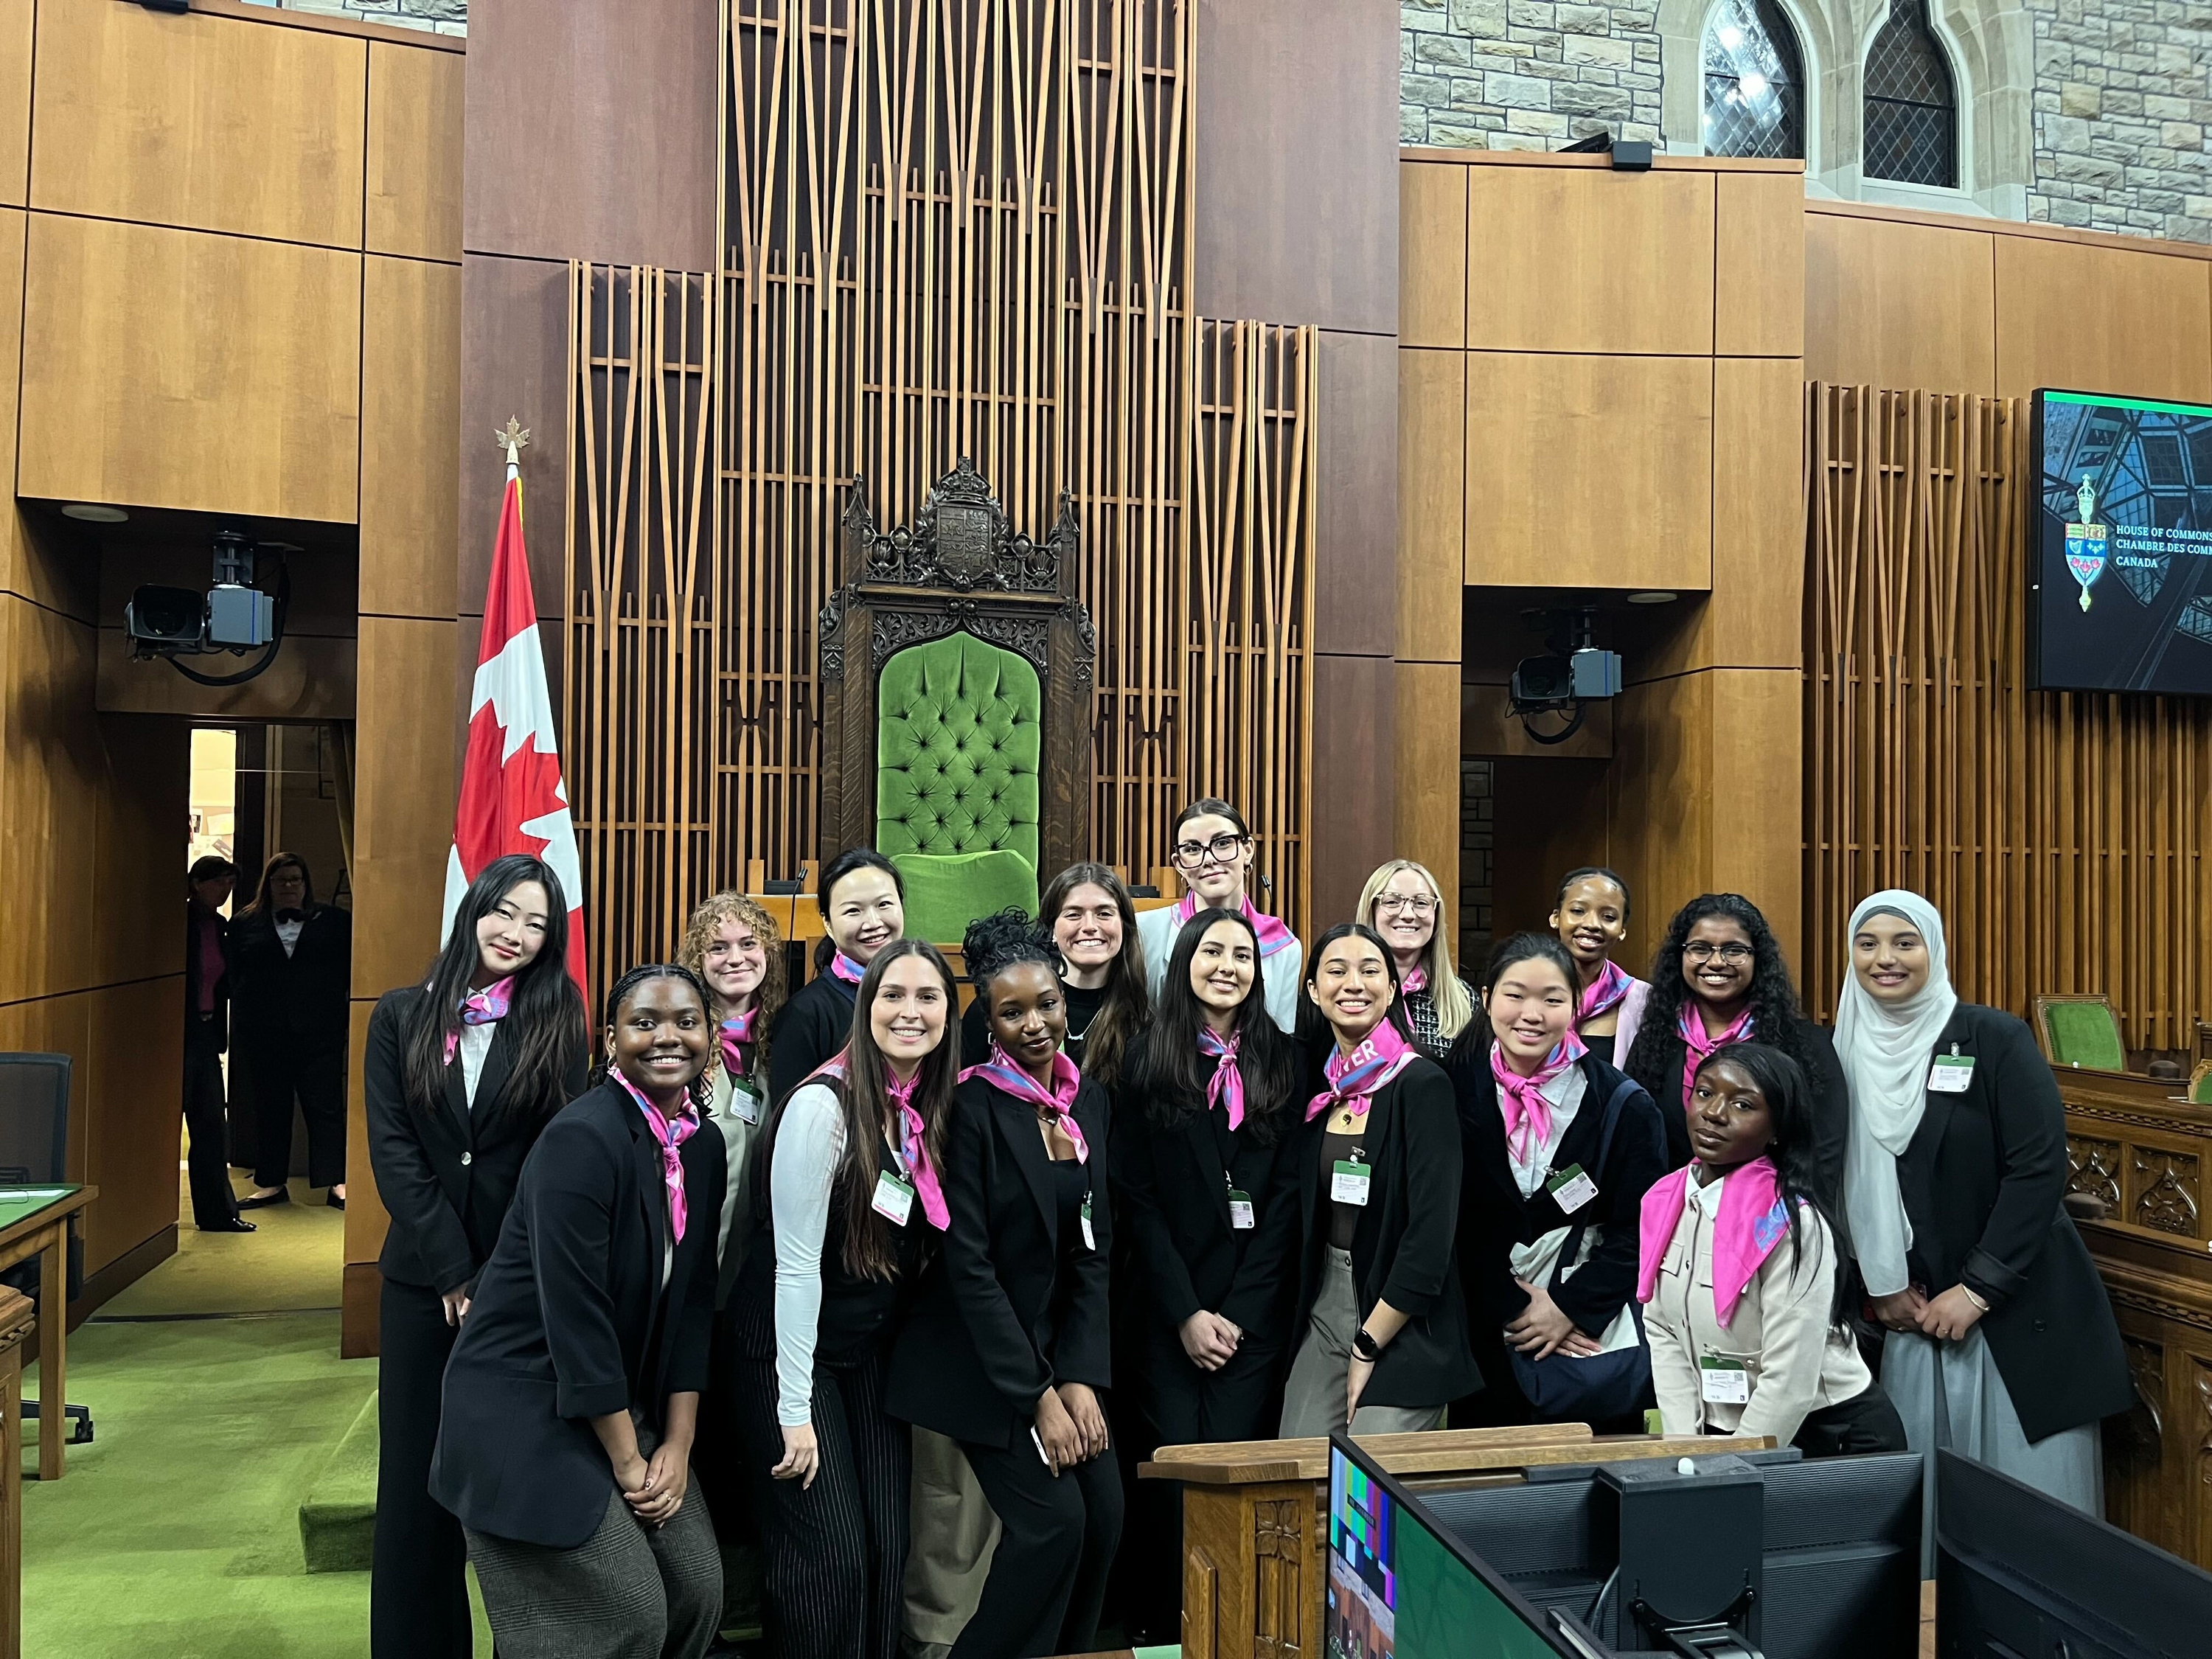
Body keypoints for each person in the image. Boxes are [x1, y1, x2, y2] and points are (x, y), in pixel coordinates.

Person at [430, 964, 727, 1659]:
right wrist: (630, 1460)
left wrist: (677, 1446)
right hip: (526, 1403)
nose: (667, 1038)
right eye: (643, 1023)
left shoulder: (701, 1145)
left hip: (621, 1402)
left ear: (710, 1036)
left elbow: (692, 1303)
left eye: (687, 1022)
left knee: (698, 1591)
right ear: (609, 1037)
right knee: (627, 1612)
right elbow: (577, 1318)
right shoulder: (581, 1139)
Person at [1837, 890, 2129, 1542]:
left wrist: (1976, 1288)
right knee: (1929, 1527)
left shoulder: (1991, 1036)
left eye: (1904, 942)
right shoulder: (1840, 1052)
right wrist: (1876, 1291)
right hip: (1911, 1321)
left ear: (1933, 951)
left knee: (2035, 1530)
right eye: (1868, 943)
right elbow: (1831, 1185)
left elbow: (2037, 1169)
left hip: (2015, 1317)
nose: (1886, 959)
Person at [364, 854, 588, 1659]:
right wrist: (452, 1270)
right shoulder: (399, 1016)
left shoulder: (560, 1012)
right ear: (474, 909)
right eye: (505, 913)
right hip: (422, 1281)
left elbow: (555, 1152)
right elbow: (395, 1155)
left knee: (506, 1477)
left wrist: (493, 1276)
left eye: (537, 924)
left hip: (516, 1285)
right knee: (414, 1485)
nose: (516, 934)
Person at [888, 912, 1119, 1659]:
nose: (1036, 1023)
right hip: (976, 1363)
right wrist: (1041, 1398)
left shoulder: (1084, 1102)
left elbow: (1092, 1250)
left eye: (1046, 1003)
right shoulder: (965, 1109)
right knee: (1053, 1527)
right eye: (1012, 1011)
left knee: (1106, 1516)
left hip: (1055, 1355)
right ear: (985, 1021)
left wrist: (1082, 1376)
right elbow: (971, 1271)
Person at [728, 939, 956, 1659]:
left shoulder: (925, 1105)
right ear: (865, 1006)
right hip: (788, 1355)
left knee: (892, 1547)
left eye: (928, 997)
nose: (910, 1012)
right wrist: (794, 1412)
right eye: (893, 995)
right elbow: (794, 1271)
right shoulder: (823, 1108)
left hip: (864, 1350)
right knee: (833, 1561)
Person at [1113, 908, 1306, 1639]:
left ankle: (1233, 1631)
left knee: (1235, 1476)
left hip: (1250, 1318)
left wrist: (1239, 1315)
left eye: (1243, 955)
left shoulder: (1285, 1060)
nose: (1228, 965)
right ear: (1186, 961)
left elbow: (1288, 1202)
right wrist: (1188, 1313)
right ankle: (1166, 1632)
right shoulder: (1146, 1058)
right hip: (1170, 1314)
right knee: (1171, 1477)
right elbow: (1136, 1199)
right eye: (1213, 952)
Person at [1638, 1043, 1905, 1455]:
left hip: (1826, 1432)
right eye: (1705, 1093)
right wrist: (1683, 1449)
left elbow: (1790, 1381)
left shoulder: (1790, 1223)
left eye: (1743, 1104)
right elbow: (1663, 1330)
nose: (1713, 1113)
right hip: (1727, 1430)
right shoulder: (1665, 1201)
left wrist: (1726, 1470)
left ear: (1777, 1129)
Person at [1447, 933, 1665, 1430]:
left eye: (1552, 999)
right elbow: (1445, 1221)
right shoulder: (1450, 1091)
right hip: (1486, 1342)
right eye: (1515, 994)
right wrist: (1519, 1310)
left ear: (1576, 1004)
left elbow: (1643, 1232)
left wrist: (1569, 1310)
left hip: (1589, 1344)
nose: (1531, 1014)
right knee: (1486, 1495)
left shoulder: (1623, 1105)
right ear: (1486, 999)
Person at [1280, 924, 1478, 1436]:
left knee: (1365, 1487)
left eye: (1371, 971)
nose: (1354, 984)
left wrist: (1369, 1342)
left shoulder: (1422, 1084)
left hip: (1405, 1315)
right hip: (1327, 1304)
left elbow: (1432, 1235)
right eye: (1336, 971)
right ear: (1313, 990)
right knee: (1290, 1469)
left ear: (1392, 989)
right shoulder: (1314, 1085)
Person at [1620, 892, 1850, 1201]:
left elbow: (1824, 1147)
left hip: (1769, 1220)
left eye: (1734, 950)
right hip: (1672, 1218)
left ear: (1758, 959)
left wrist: (1786, 1219)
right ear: (1681, 956)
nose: (1716, 962)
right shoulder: (1655, 1038)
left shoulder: (1802, 1042)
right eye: (1700, 949)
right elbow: (1638, 1141)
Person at [230, 852, 353, 1209]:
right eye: (280, 880)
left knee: (326, 1106)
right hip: (264, 1034)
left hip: (321, 1032)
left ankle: (336, 1183)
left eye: (295, 880)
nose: (288, 886)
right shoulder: (244, 924)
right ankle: (270, 1183)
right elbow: (236, 981)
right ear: (268, 884)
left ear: (305, 884)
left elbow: (347, 976)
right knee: (270, 1107)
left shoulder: (335, 922)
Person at [958, 864, 1151, 1088]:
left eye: (1104, 913)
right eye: (1073, 914)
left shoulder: (1142, 1019)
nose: (1089, 926)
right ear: (1051, 929)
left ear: (1125, 927)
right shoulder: (1001, 1007)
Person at [1135, 799, 1302, 1033]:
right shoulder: (1145, 931)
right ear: (1179, 864)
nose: (1210, 859)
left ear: (1248, 850)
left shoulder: (1283, 945)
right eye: (1192, 849)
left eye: (1223, 843)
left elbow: (1282, 1037)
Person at [771, 850, 906, 1105]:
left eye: (884, 904)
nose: (873, 922)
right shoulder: (804, 1014)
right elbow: (790, 1119)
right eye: (854, 911)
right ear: (828, 924)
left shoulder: (928, 995)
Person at [183, 855, 249, 1232]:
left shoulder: (220, 926)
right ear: (197, 883)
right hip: (177, 1036)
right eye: (218, 882)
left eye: (229, 883)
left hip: (207, 1036)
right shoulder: (182, 923)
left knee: (211, 1129)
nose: (225, 891)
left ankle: (219, 1215)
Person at [1355, 859, 1473, 1058]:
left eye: (1421, 903)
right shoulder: (1345, 993)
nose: (1408, 914)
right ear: (1371, 909)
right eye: (1392, 902)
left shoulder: (1464, 1000)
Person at [1549, 866, 1649, 1065]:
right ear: (1556, 918)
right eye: (1578, 911)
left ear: (1622, 930)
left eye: (1609, 917)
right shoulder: (1523, 989)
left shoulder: (1643, 1000)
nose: (1592, 924)